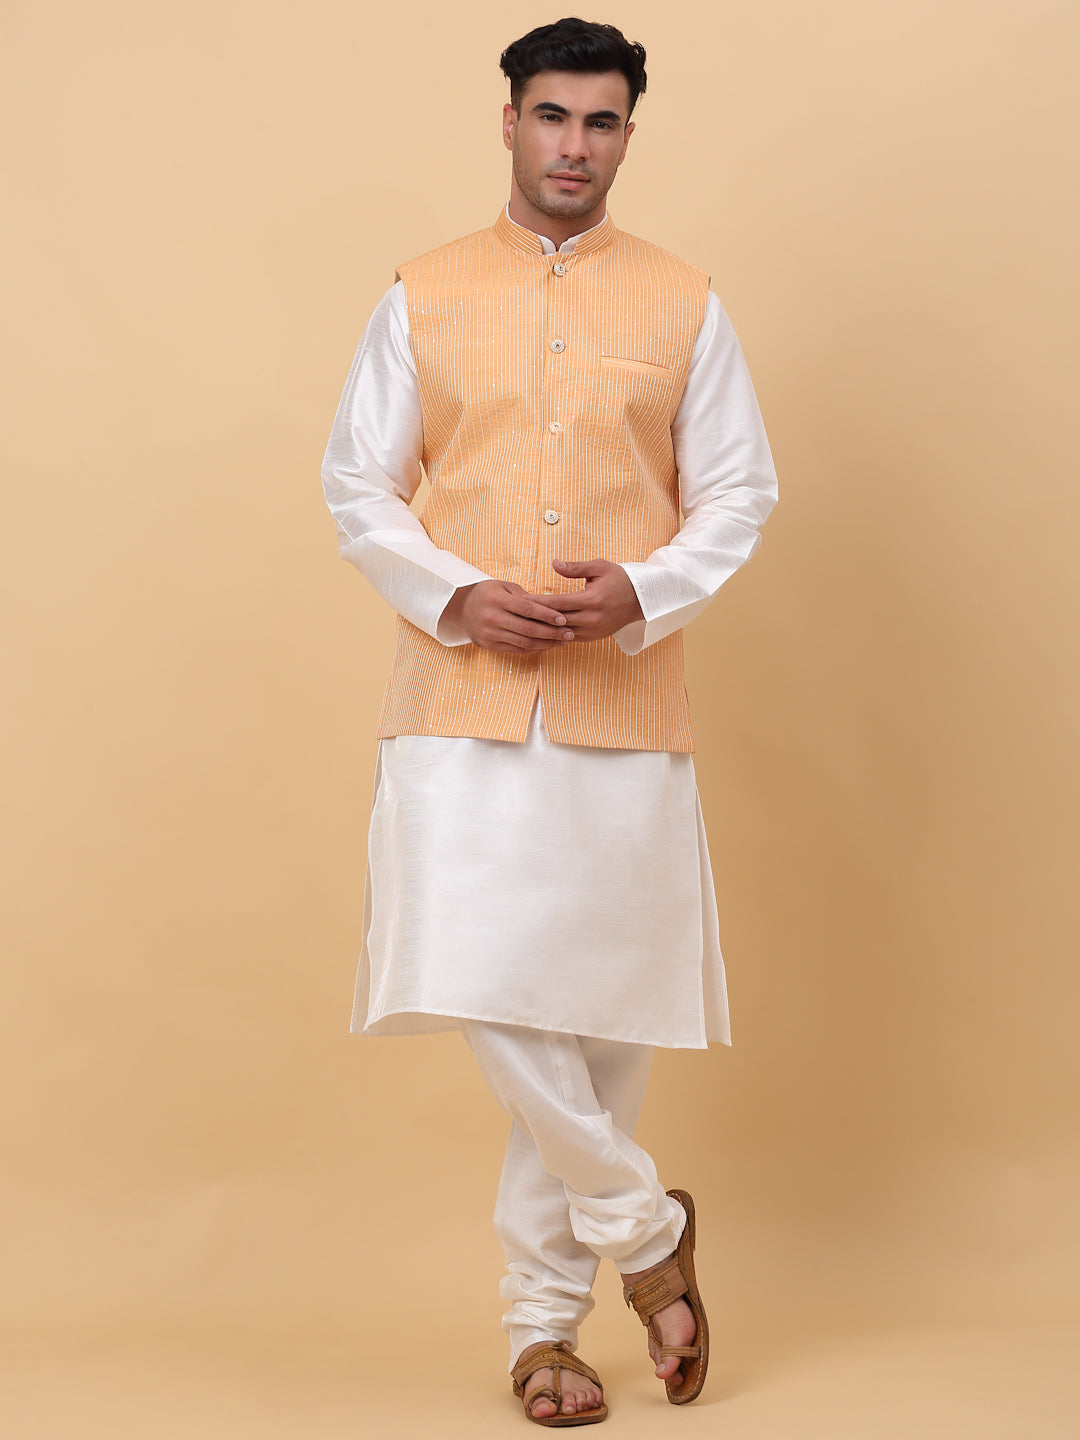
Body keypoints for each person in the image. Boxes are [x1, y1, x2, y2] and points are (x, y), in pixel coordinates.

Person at [321, 17, 777, 1427]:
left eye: (601, 121)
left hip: (623, 702)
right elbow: (358, 484)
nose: (574, 145)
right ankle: (647, 1232)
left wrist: (643, 590)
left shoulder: (685, 302)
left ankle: (544, 1337)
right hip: (455, 696)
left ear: (629, 133)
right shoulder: (425, 292)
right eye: (552, 116)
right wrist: (457, 597)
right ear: (509, 121)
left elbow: (739, 493)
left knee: (597, 1023)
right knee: (481, 973)